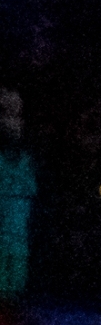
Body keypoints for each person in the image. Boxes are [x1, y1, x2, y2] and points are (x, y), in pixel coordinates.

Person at [0, 87, 31, 300]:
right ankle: (5, 290)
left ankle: (14, 290)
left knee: (17, 246)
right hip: (10, 202)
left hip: (19, 204)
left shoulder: (26, 160)